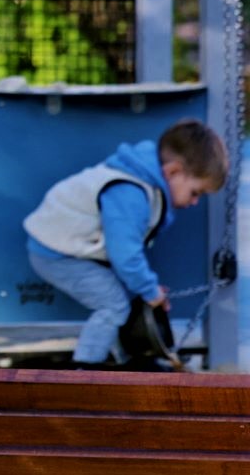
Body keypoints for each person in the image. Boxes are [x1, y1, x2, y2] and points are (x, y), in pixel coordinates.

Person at [23, 118, 227, 369]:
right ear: (173, 172)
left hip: (73, 247)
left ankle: (121, 361)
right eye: (196, 192)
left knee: (123, 296)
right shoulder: (131, 193)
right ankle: (86, 370)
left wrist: (148, 287)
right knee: (113, 304)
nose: (195, 201)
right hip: (56, 254)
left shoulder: (144, 181)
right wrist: (150, 291)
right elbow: (126, 256)